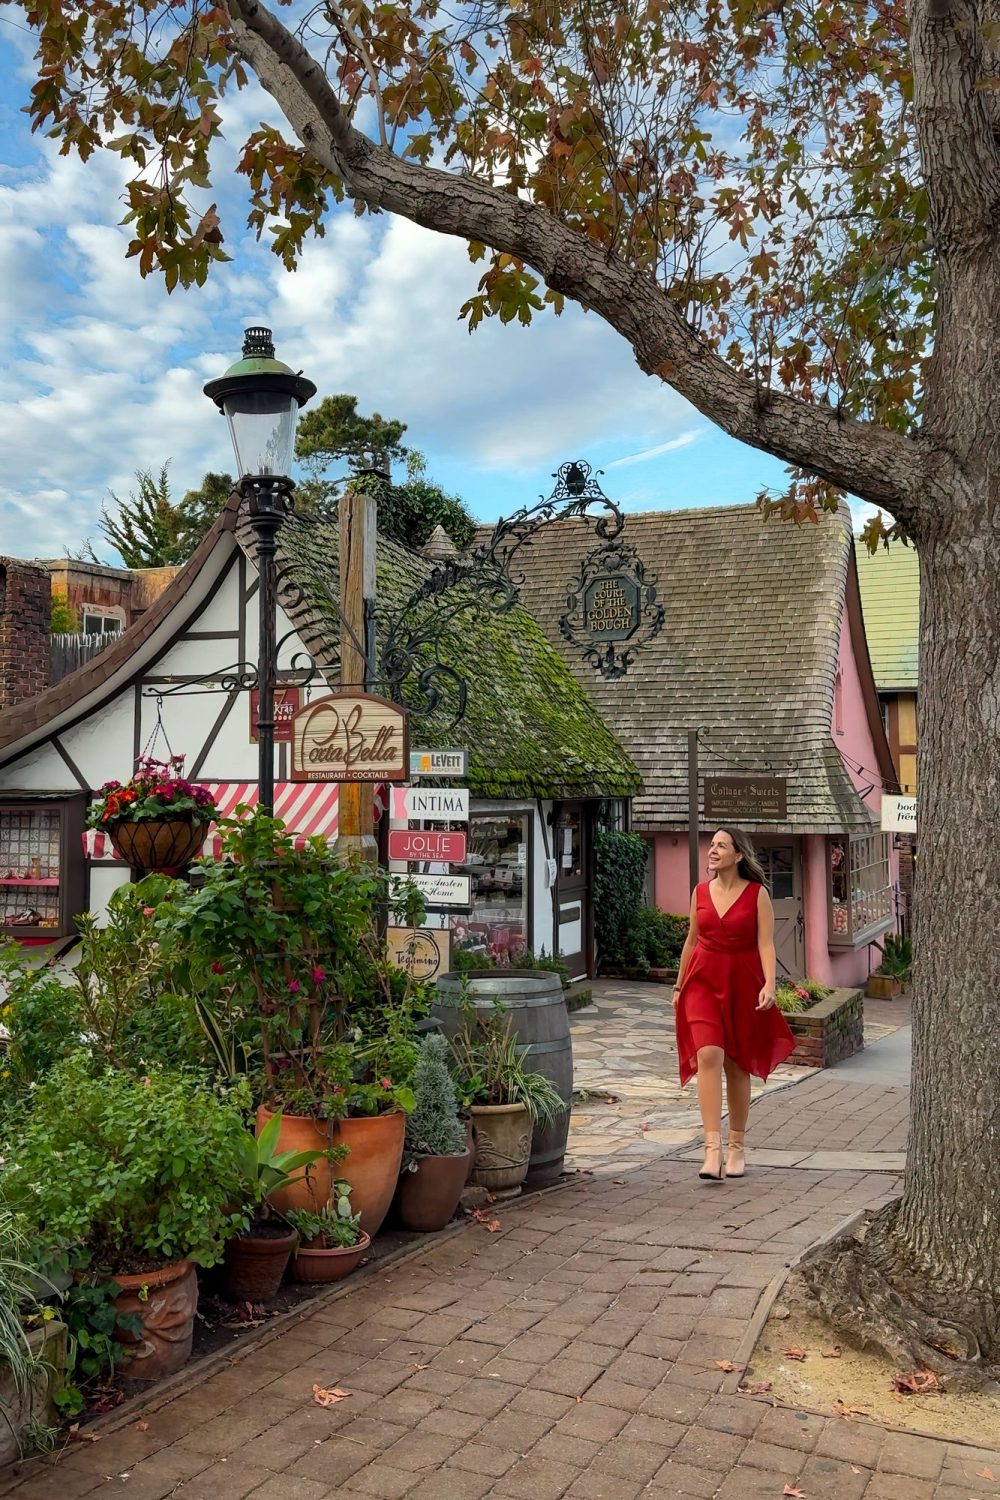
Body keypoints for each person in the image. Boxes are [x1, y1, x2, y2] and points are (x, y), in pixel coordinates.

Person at [672, 828, 795, 1181]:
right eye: (711, 845)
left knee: (737, 1065)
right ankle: (711, 1149)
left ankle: (737, 1146)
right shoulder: (699, 893)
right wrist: (679, 986)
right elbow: (692, 942)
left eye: (720, 846)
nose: (712, 850)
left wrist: (770, 984)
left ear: (738, 855)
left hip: (741, 983)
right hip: (702, 982)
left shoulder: (757, 895)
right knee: (709, 1054)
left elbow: (766, 945)